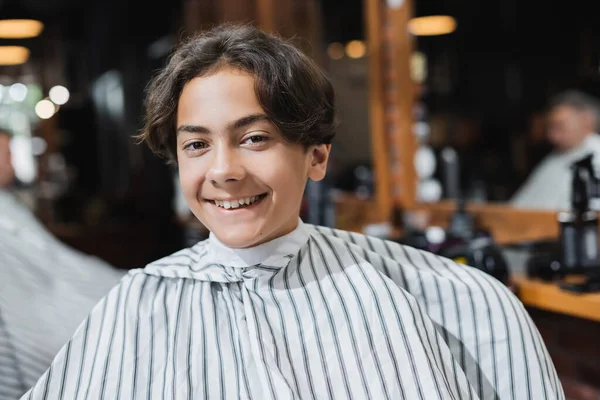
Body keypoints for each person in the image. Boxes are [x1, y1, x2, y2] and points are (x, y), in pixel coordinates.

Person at [21, 24, 563, 399]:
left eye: (254, 138)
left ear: (317, 155)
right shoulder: (136, 308)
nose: (223, 170)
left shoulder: (449, 299)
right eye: (196, 145)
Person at [0, 128, 125, 400]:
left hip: (64, 285)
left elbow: (54, 261)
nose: (11, 163)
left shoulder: (7, 204)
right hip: (40, 311)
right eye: (6, 155)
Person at [511, 90, 600, 210]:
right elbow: (518, 205)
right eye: (550, 128)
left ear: (586, 122)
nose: (552, 136)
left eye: (559, 127)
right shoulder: (555, 157)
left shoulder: (596, 156)